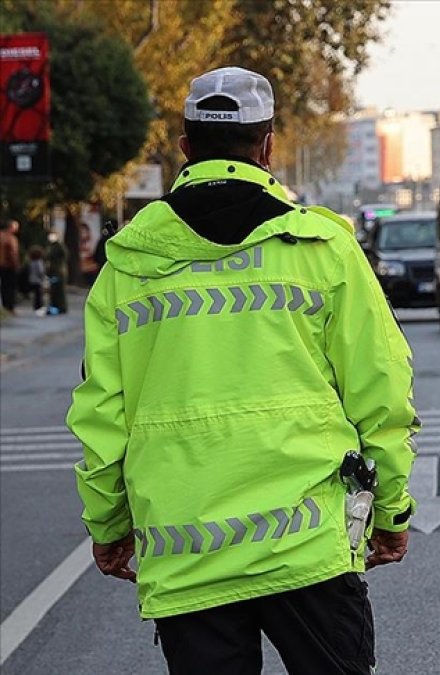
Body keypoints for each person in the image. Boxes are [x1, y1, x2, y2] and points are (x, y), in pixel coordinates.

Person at [68, 66, 418, 675]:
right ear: (268, 145)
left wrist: (109, 524)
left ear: (185, 146)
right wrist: (390, 511)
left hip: (188, 558)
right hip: (308, 549)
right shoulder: (323, 249)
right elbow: (381, 394)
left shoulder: (127, 265)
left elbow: (102, 419)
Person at [0, 219, 20, 313]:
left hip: (3, 264)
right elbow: (12, 253)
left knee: (5, 286)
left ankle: (6, 306)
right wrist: (16, 264)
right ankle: (9, 307)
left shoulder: (2, 236)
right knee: (10, 287)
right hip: (9, 265)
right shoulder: (10, 238)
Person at [26, 245, 46, 313]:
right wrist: (43, 277)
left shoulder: (31, 262)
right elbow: (41, 271)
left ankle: (35, 306)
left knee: (35, 295)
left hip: (32, 280)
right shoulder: (39, 262)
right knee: (39, 294)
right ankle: (39, 306)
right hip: (38, 281)